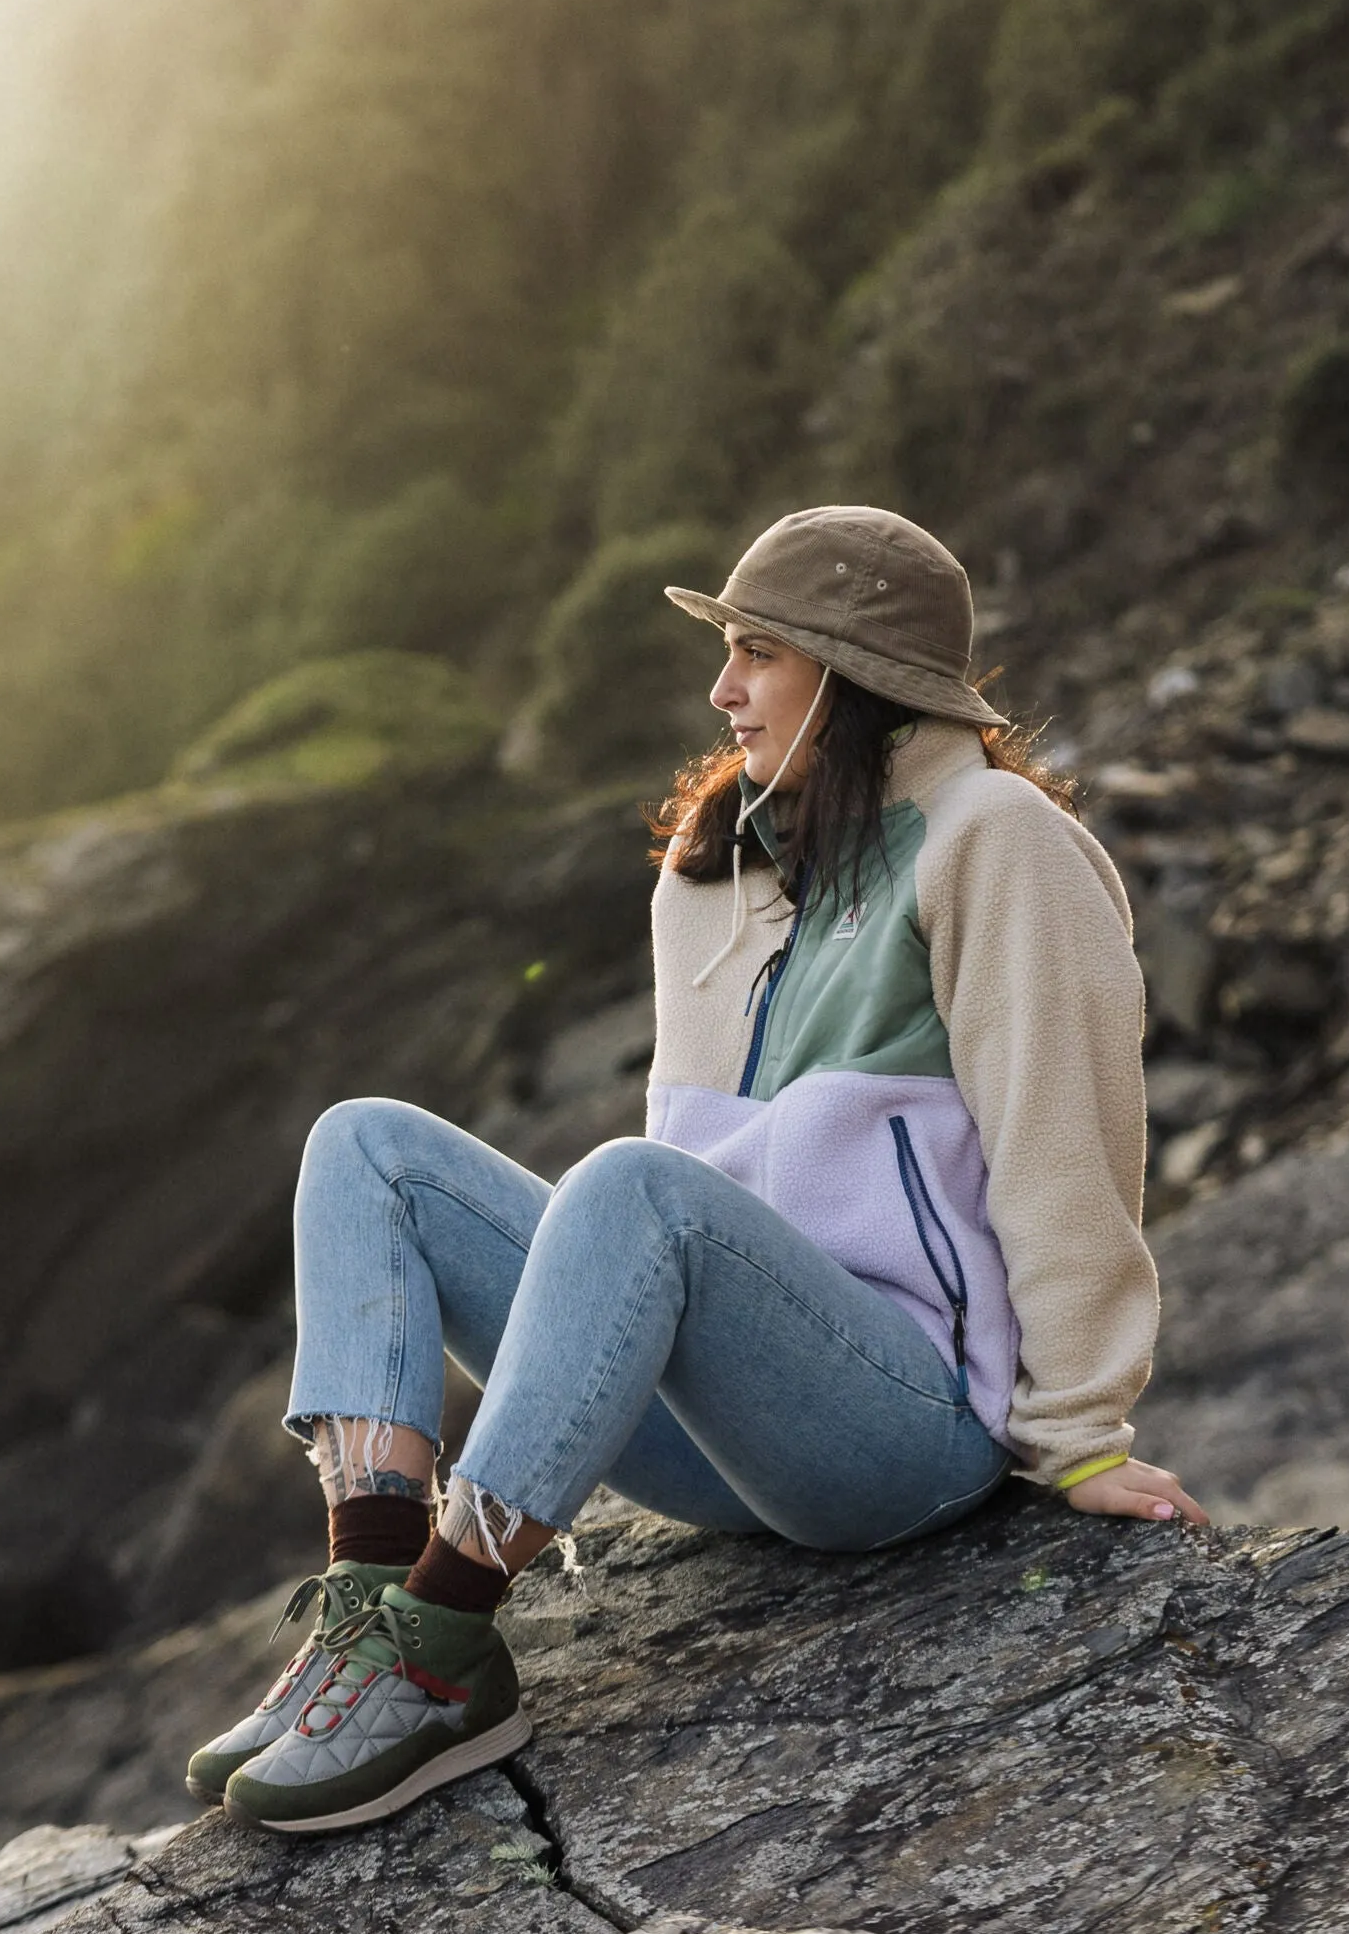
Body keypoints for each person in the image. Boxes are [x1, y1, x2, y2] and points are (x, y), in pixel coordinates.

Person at [188, 504, 1207, 1835]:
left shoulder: (994, 839)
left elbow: (1068, 1141)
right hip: (732, 1433)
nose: (721, 689)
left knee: (630, 1185)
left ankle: (447, 1649)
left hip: (906, 1430)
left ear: (852, 671)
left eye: (756, 654)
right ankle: (372, 1610)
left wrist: (1079, 1438)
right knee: (366, 1146)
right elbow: (699, 1168)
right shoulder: (720, 868)